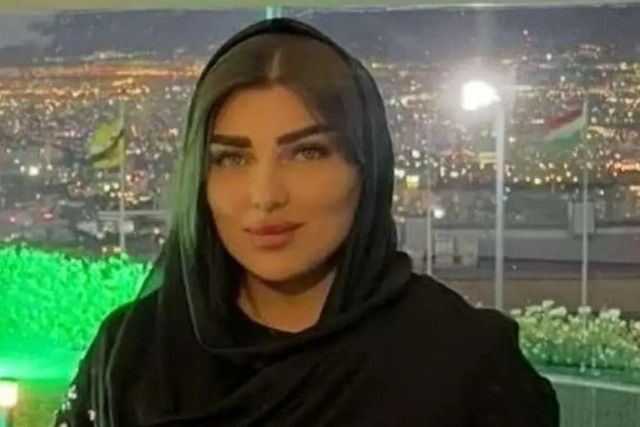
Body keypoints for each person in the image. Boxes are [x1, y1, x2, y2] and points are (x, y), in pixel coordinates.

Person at [53, 17, 559, 426]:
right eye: (231, 158)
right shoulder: (134, 352)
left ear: (366, 168)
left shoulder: (464, 365)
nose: (265, 196)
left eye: (308, 153)